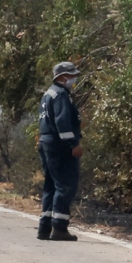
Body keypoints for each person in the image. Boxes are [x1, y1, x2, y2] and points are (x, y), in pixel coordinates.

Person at [38, 61, 83, 241]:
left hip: (46, 144)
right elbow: (62, 122)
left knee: (51, 186)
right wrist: (73, 144)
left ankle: (44, 228)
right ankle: (59, 228)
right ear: (62, 77)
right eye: (71, 75)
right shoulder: (61, 95)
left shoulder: (48, 95)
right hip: (60, 146)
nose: (74, 78)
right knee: (65, 185)